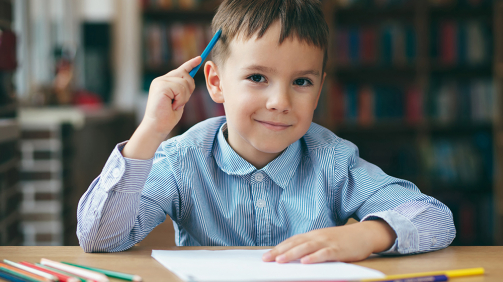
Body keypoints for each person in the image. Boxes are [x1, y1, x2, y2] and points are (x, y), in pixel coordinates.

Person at [77, 0, 455, 263]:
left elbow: (436, 218)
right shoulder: (181, 160)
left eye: (302, 82)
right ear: (216, 82)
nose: (280, 101)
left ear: (319, 90)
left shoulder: (334, 160)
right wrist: (150, 132)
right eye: (257, 77)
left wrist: (366, 236)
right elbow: (99, 239)